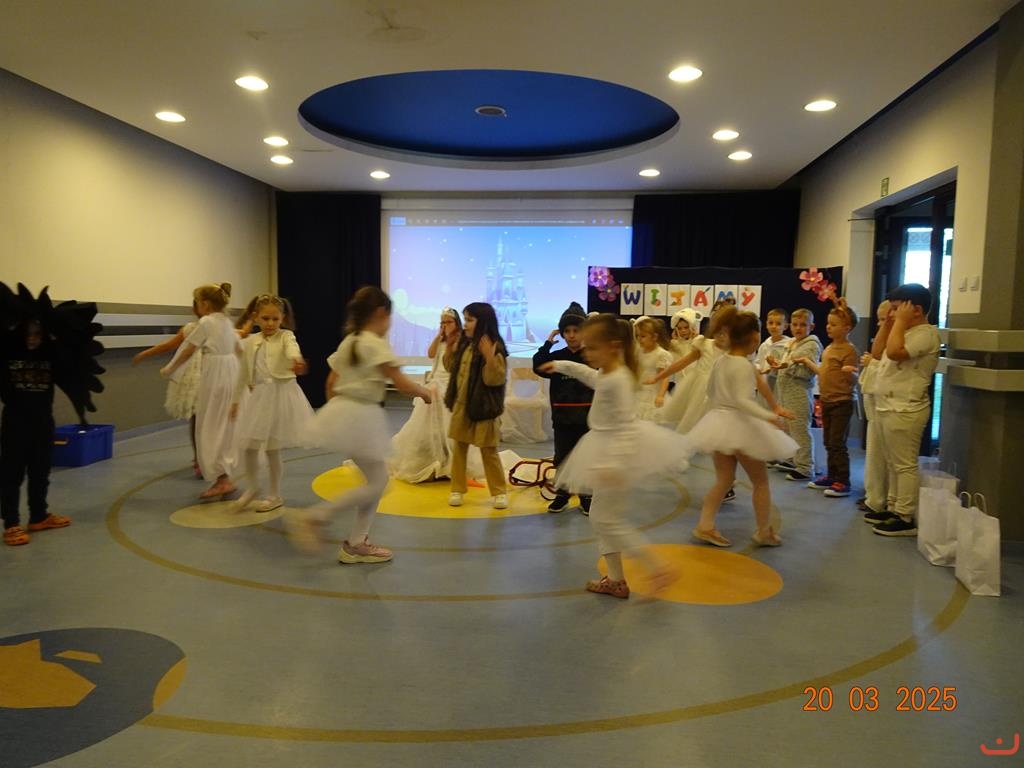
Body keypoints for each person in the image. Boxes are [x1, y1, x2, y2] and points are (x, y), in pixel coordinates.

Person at [538, 313, 686, 599]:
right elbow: (590, 376)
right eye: (585, 347)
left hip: (614, 453)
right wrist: (562, 365)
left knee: (607, 520)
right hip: (606, 448)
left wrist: (614, 464)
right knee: (601, 517)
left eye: (592, 347)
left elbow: (625, 426)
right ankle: (616, 580)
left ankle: (657, 567)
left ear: (614, 346)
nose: (586, 352)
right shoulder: (609, 373)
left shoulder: (618, 379)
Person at [292, 286, 432, 562]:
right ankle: (317, 517)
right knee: (379, 482)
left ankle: (356, 542)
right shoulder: (375, 343)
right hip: (362, 415)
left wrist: (340, 417)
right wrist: (426, 393)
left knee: (376, 481)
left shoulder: (351, 341)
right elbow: (402, 384)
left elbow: (331, 382)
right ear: (381, 313)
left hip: (344, 411)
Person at [685, 307, 797, 548]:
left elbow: (710, 392)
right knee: (761, 482)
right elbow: (743, 401)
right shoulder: (744, 365)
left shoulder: (720, 362)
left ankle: (705, 525)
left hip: (719, 425)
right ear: (754, 338)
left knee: (723, 480)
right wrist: (769, 416)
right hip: (742, 427)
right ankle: (764, 531)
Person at [865, 284, 940, 537]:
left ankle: (905, 516)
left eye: (896, 309)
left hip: (906, 408)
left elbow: (896, 353)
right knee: (891, 462)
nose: (892, 314)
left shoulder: (926, 334)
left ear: (915, 310)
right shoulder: (900, 330)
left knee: (904, 464)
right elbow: (877, 353)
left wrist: (897, 323)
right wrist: (888, 323)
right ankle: (893, 506)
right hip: (887, 405)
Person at [229, 295, 312, 513]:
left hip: (281, 396)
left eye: (275, 319)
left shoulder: (286, 336)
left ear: (282, 318)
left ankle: (274, 495)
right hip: (260, 398)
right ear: (255, 317)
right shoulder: (250, 342)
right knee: (249, 446)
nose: (270, 323)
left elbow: (292, 350)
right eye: (265, 318)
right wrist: (235, 401)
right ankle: (253, 487)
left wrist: (297, 360)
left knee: (272, 449)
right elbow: (243, 373)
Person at [161, 282, 240, 500]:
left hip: (214, 377)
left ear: (204, 304)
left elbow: (188, 349)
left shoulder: (206, 322)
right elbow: (240, 349)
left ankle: (222, 479)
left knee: (209, 427)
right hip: (231, 374)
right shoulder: (227, 322)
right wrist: (247, 377)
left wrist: (170, 367)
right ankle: (225, 475)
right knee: (223, 426)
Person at [1, 320, 70, 545]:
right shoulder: (8, 354)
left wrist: (55, 339)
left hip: (42, 422)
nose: (32, 339)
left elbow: (65, 365)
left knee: (40, 471)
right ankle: (11, 523)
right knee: (12, 474)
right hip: (15, 423)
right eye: (28, 334)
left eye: (37, 334)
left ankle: (39, 516)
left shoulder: (49, 356)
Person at [445, 302, 509, 510]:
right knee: (459, 448)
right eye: (465, 319)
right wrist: (450, 348)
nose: (465, 324)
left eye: (470, 320)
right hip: (462, 405)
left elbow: (495, 380)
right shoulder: (464, 344)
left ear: (483, 322)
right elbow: (451, 368)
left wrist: (489, 357)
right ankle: (457, 488)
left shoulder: (495, 346)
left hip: (483, 407)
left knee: (489, 450)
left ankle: (499, 492)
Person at [533, 301, 593, 514]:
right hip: (562, 417)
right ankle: (563, 494)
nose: (571, 335)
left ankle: (586, 495)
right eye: (567, 331)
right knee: (562, 457)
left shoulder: (591, 356)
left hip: (588, 418)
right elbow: (538, 365)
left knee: (586, 457)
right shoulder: (557, 357)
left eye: (576, 330)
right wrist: (548, 343)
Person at [390, 307, 462, 483]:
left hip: (449, 384)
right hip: (435, 383)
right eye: (442, 322)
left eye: (449, 322)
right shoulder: (441, 340)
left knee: (447, 421)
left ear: (456, 323)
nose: (445, 325)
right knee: (427, 418)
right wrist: (439, 336)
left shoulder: (460, 341)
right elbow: (430, 354)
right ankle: (430, 455)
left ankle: (449, 458)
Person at [794, 304, 859, 497]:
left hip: (842, 401)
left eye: (834, 324)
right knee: (829, 441)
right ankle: (832, 476)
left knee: (838, 442)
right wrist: (807, 362)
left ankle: (843, 481)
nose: (829, 327)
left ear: (847, 328)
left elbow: (854, 378)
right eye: (828, 323)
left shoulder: (849, 350)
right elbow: (823, 372)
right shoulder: (829, 348)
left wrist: (850, 374)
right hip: (828, 400)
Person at [133, 302, 203, 475]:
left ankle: (205, 457)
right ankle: (199, 458)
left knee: (205, 420)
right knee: (198, 418)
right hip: (195, 377)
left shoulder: (218, 327)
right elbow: (170, 345)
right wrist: (145, 353)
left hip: (211, 373)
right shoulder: (191, 328)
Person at [768, 308, 822, 480]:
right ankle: (793, 459)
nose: (798, 328)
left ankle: (806, 467)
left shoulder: (811, 345)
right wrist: (776, 364)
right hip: (786, 393)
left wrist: (787, 366)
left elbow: (807, 372)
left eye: (803, 325)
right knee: (789, 429)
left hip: (799, 393)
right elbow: (785, 365)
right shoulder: (791, 343)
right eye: (795, 324)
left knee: (800, 430)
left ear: (811, 327)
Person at [857, 300, 891, 515]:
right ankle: (873, 495)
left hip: (886, 406)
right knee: (874, 453)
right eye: (879, 320)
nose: (880, 324)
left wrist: (872, 363)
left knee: (881, 455)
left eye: (884, 320)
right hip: (874, 406)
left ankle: (880, 499)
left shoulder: (898, 342)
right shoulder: (884, 340)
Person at [633, 316, 674, 421]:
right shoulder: (639, 351)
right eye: (637, 336)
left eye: (643, 336)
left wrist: (660, 395)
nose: (639, 339)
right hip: (640, 391)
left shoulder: (661, 354)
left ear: (654, 337)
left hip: (654, 392)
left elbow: (664, 377)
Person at [755, 308, 790, 416]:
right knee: (764, 410)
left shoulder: (788, 345)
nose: (774, 326)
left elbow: (788, 363)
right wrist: (759, 369)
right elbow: (758, 362)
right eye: (771, 323)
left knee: (778, 409)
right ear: (766, 324)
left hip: (780, 385)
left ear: (785, 326)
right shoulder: (764, 345)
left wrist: (776, 365)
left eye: (778, 324)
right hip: (765, 384)